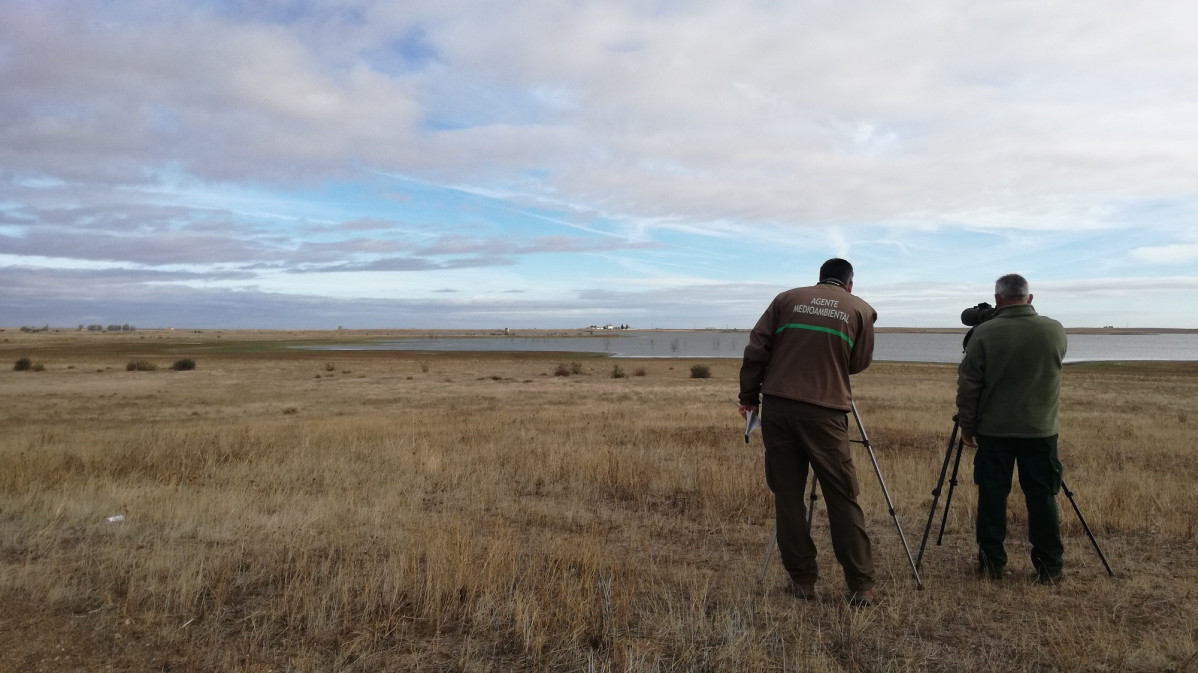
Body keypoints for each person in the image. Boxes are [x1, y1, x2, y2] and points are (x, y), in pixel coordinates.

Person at [738, 258, 879, 606]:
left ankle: (802, 580)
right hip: (826, 410)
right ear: (849, 284)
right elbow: (858, 362)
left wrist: (748, 397)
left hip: (778, 407)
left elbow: (757, 349)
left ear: (819, 280)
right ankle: (860, 585)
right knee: (842, 495)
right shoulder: (860, 310)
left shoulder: (786, 299)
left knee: (787, 496)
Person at [956, 273, 1068, 584]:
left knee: (992, 498)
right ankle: (1050, 568)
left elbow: (968, 387)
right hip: (1041, 431)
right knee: (1043, 497)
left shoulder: (984, 332)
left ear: (997, 299)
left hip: (994, 432)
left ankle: (991, 565)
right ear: (1030, 299)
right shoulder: (1054, 330)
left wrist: (968, 427)